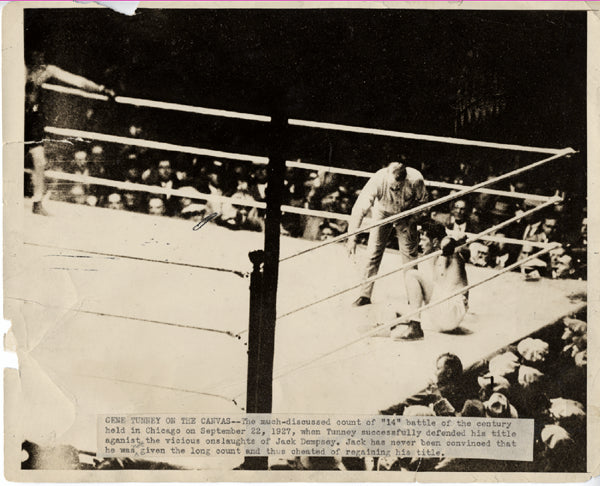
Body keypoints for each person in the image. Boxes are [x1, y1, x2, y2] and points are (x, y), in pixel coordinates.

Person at [25, 51, 114, 215]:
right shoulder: (15, 67)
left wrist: (100, 89)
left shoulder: (46, 70)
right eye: (37, 54)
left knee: (39, 160)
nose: (40, 58)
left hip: (30, 118)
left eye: (42, 55)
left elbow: (75, 80)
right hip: (10, 114)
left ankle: (37, 202)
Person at [347, 161, 428, 306]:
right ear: (387, 175)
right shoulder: (378, 179)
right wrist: (352, 237)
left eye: (399, 185)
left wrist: (413, 218)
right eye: (392, 186)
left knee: (410, 256)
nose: (395, 188)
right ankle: (365, 294)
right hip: (383, 211)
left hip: (407, 214)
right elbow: (359, 208)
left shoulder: (416, 179)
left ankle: (413, 297)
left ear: (405, 179)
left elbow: (424, 203)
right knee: (373, 252)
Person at [391, 221, 468, 340]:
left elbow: (449, 243)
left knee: (412, 274)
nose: (420, 243)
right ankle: (411, 323)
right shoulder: (433, 256)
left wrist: (452, 241)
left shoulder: (450, 254)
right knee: (396, 312)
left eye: (423, 240)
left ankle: (415, 328)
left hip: (452, 309)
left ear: (435, 241)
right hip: (443, 314)